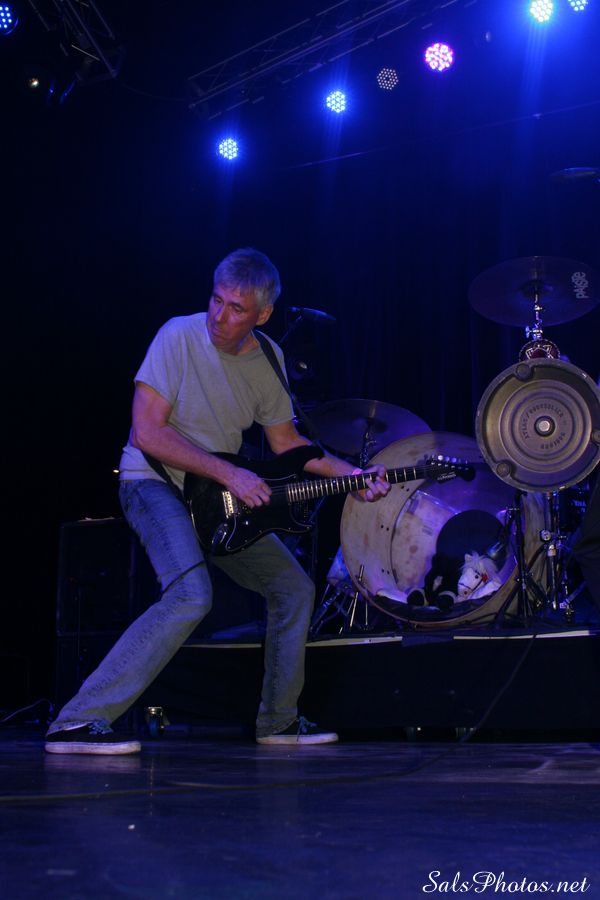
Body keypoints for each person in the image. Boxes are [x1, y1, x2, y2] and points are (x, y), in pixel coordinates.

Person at [45, 248, 390, 754]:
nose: (219, 316)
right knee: (191, 595)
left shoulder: (268, 360)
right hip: (153, 483)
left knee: (293, 589)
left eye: (236, 308)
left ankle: (278, 721)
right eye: (216, 299)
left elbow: (287, 444)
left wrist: (353, 475)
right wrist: (230, 472)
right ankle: (78, 720)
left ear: (262, 315)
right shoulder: (177, 335)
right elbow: (147, 433)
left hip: (215, 502)